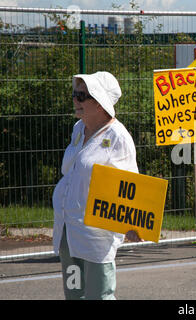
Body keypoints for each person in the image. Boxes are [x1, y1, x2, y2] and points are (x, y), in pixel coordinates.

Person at [52, 71, 143, 300]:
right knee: (74, 293)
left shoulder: (118, 137)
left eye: (82, 96)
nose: (75, 100)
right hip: (68, 231)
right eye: (75, 94)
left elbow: (130, 183)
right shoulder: (78, 129)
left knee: (99, 295)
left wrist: (133, 223)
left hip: (95, 236)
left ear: (100, 103)